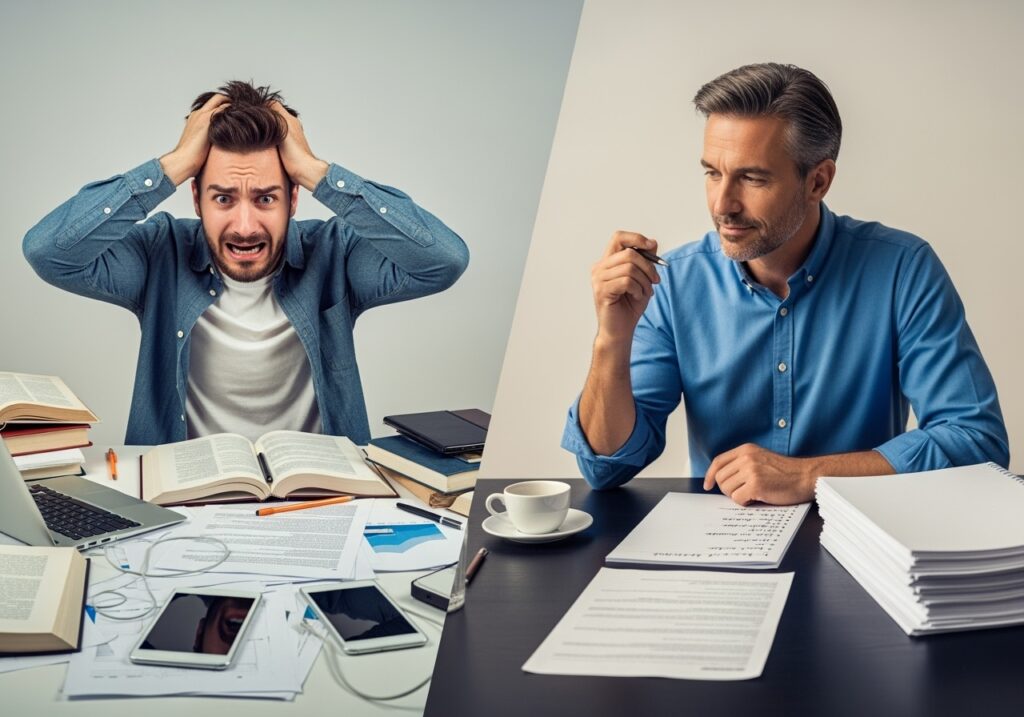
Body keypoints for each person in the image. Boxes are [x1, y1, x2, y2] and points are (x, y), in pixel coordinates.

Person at [561, 63, 1008, 506]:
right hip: (719, 548)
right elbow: (606, 467)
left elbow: (977, 442)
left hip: (865, 545)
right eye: (713, 173)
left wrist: (809, 476)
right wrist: (611, 340)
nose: (723, 204)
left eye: (752, 178)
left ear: (818, 181)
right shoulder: (675, 281)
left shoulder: (903, 269)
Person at [24, 81, 468, 445]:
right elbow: (49, 251)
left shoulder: (335, 252)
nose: (244, 225)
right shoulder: (160, 252)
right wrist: (172, 166)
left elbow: (442, 260)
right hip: (185, 504)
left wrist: (317, 171)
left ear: (294, 197)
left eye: (266, 198)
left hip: (321, 499)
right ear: (195, 197)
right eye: (223, 198)